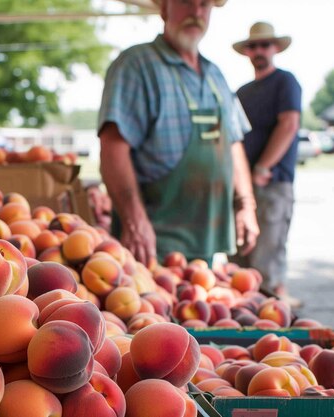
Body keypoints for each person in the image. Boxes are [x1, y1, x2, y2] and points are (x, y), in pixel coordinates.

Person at [97, 0, 259, 268]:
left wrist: (246, 204)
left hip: (207, 240)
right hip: (153, 245)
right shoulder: (136, 65)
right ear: (163, 9)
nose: (196, 12)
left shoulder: (215, 75)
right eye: (185, 1)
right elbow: (113, 148)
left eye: (204, 4)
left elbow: (234, 143)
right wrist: (134, 221)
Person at [232, 22, 303, 307]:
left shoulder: (285, 81)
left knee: (268, 251)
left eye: (265, 45)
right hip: (245, 183)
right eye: (253, 46)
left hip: (272, 180)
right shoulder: (243, 91)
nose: (259, 50)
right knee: (242, 255)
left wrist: (263, 166)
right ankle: (255, 309)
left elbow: (289, 125)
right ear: (247, 52)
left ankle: (275, 310)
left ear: (275, 48)